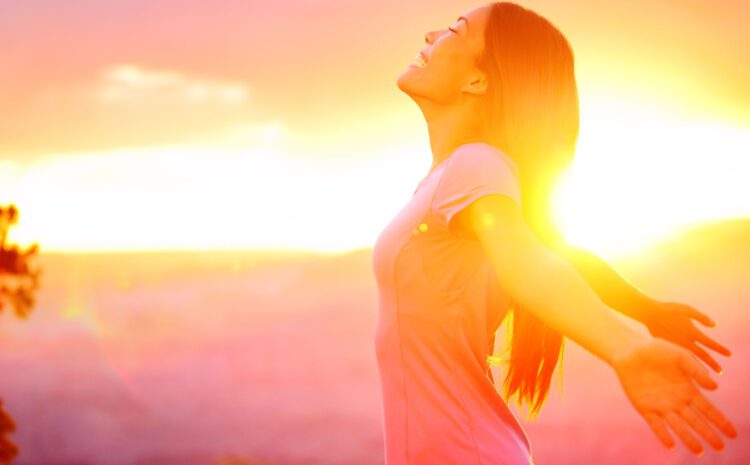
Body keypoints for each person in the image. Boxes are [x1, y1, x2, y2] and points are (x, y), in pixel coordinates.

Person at [371, 2, 738, 464]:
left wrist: (626, 347)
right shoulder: (456, 178)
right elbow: (552, 249)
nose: (430, 35)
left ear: (478, 80)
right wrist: (645, 309)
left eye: (455, 30)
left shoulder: (474, 165)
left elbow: (528, 263)